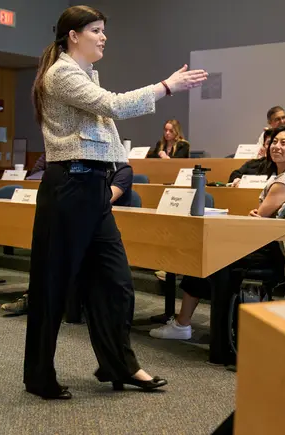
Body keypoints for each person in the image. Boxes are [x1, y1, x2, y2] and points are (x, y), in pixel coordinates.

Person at [23, 5, 207, 400]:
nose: (103, 37)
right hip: (70, 187)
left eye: (104, 30)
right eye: (96, 30)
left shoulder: (87, 75)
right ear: (74, 35)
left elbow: (106, 133)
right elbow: (115, 106)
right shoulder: (62, 74)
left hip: (92, 190)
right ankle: (39, 375)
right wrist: (167, 86)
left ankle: (117, 365)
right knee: (53, 287)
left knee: (117, 283)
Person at [150, 128, 285, 340]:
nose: (276, 147)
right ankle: (186, 324)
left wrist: (259, 215)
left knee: (210, 255)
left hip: (274, 251)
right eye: (274, 142)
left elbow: (260, 222)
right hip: (277, 247)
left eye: (284, 143)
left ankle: (184, 324)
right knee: (209, 254)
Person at [1, 163, 136, 315]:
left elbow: (107, 197)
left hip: (103, 227)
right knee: (52, 254)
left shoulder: (123, 169)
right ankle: (32, 299)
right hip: (81, 219)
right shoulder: (82, 167)